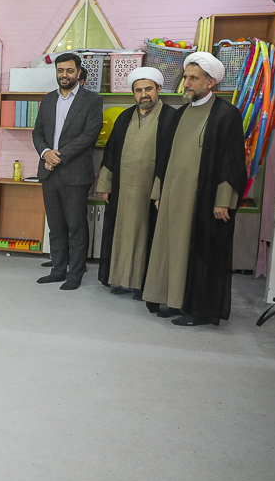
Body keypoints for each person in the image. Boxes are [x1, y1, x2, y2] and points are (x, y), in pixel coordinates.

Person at [142, 52, 247, 326]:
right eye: (185, 77)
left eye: (193, 78)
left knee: (201, 253)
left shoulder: (226, 114)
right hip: (172, 197)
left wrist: (224, 199)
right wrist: (159, 192)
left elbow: (232, 160)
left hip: (205, 200)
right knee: (172, 250)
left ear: (210, 82)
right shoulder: (180, 114)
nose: (186, 83)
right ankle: (175, 301)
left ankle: (199, 311)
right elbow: (164, 158)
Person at [96, 69, 176, 298]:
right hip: (123, 189)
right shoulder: (124, 117)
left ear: (158, 89)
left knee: (148, 235)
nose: (144, 95)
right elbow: (110, 152)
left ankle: (145, 285)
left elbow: (171, 159)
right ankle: (122, 279)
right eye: (138, 90)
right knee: (122, 234)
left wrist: (161, 191)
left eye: (148, 89)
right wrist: (105, 185)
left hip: (152, 191)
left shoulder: (171, 118)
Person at [33, 52, 104, 290]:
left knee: (76, 227)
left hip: (75, 174)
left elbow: (89, 135)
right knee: (55, 226)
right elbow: (37, 133)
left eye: (70, 71)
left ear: (78, 72)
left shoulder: (92, 100)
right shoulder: (48, 99)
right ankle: (57, 270)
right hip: (48, 172)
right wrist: (46, 153)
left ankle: (75, 274)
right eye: (60, 70)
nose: (64, 75)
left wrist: (58, 157)